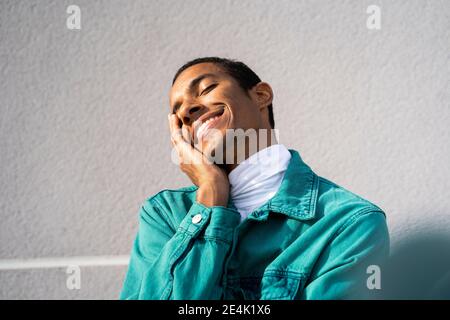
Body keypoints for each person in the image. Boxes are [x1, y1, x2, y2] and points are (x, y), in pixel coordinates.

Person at [120, 57, 389, 300]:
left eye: (204, 89)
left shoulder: (348, 223)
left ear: (261, 95)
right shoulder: (165, 214)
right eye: (180, 114)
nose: (188, 109)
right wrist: (211, 194)